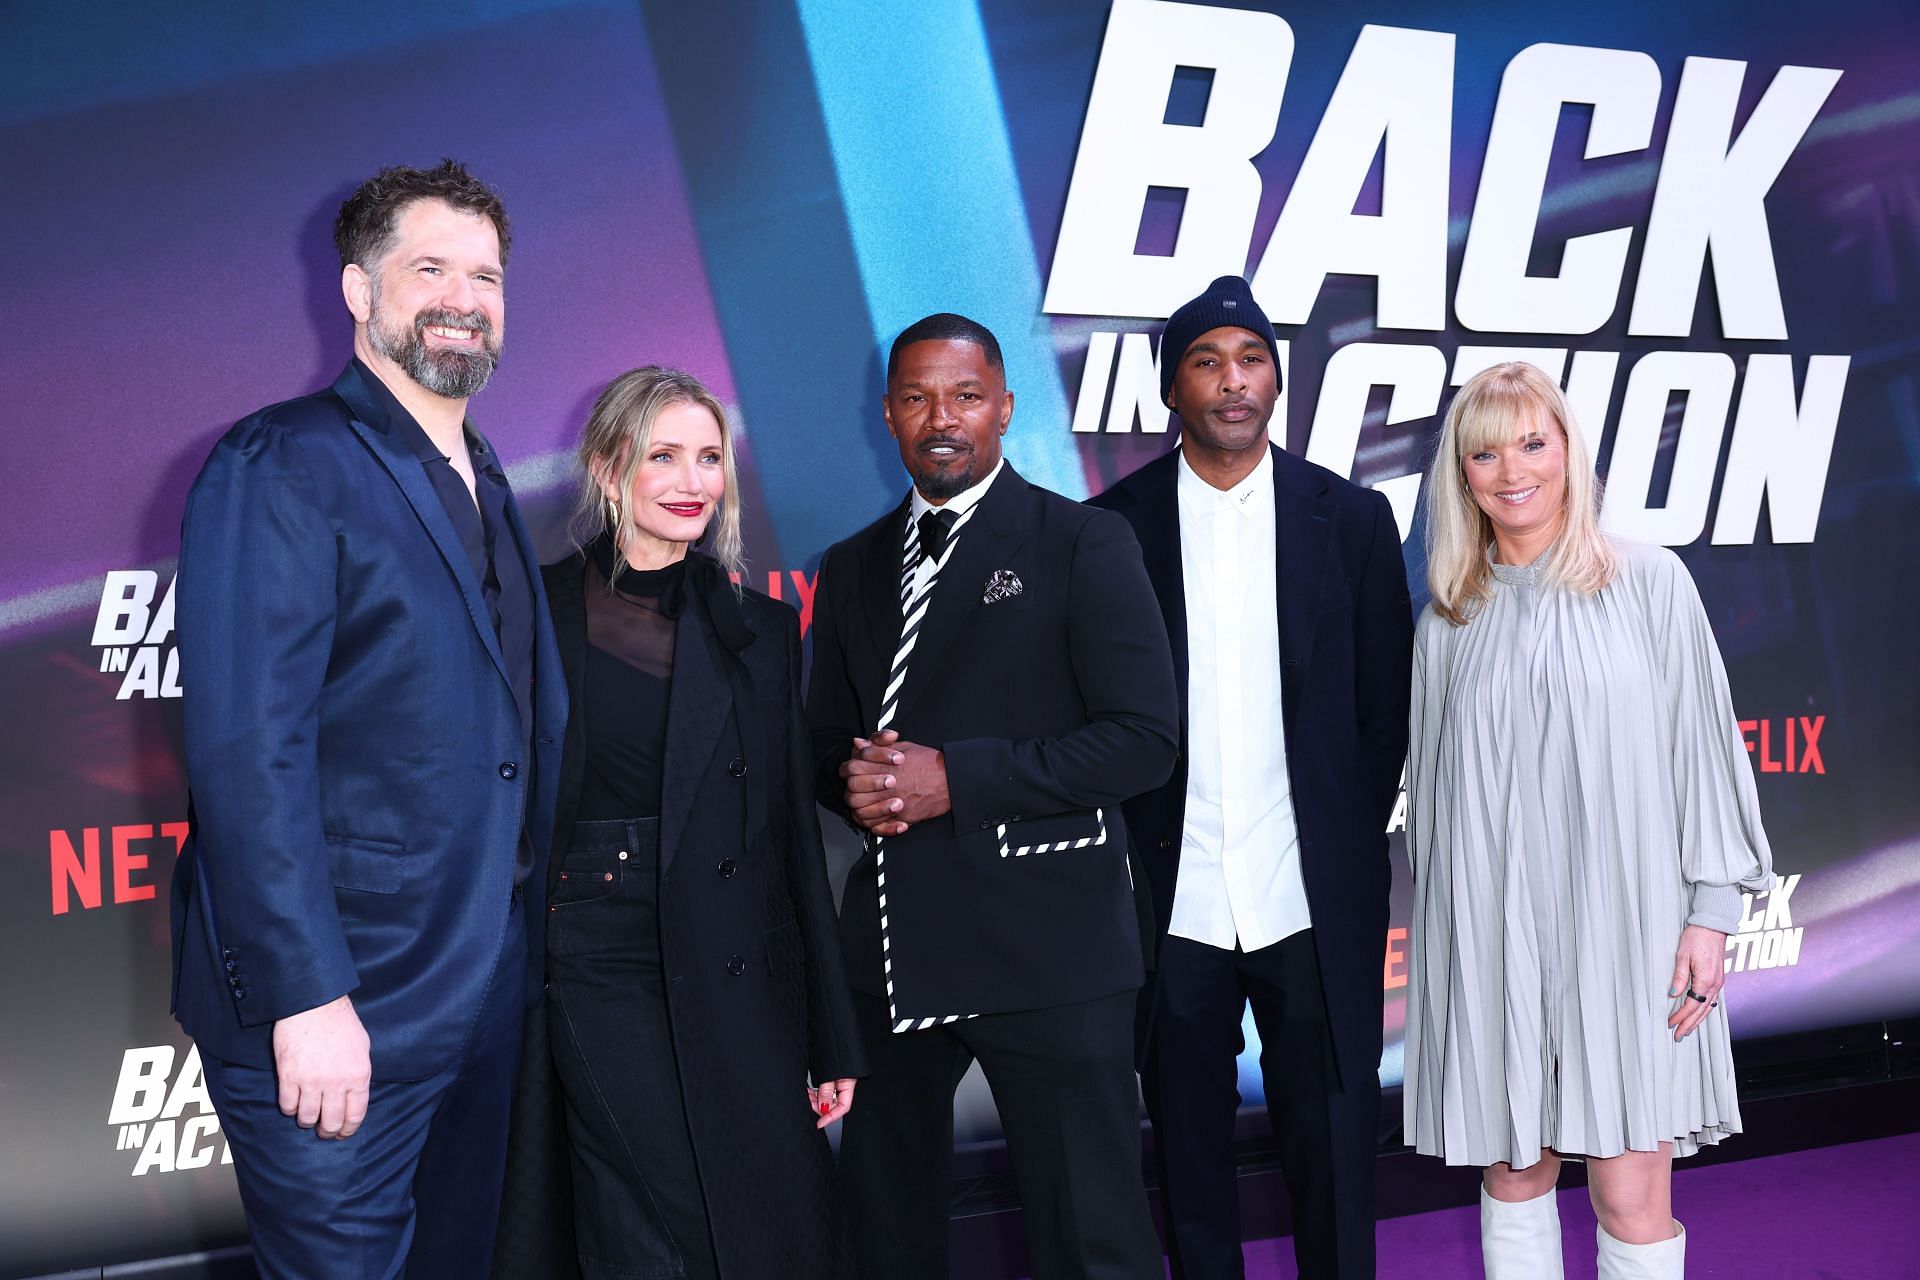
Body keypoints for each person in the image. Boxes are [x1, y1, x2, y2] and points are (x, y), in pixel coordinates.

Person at [171, 160, 565, 1277]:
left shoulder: (486, 476)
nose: (463, 295)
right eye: (429, 266)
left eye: (485, 274)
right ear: (357, 291)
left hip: (482, 990)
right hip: (343, 1008)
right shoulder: (282, 459)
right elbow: (251, 750)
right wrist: (306, 997)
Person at [806, 313, 1178, 1279]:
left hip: (1049, 948)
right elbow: (822, 743)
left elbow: (1144, 741)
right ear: (887, 415)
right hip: (892, 950)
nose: (944, 418)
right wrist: (855, 781)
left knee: (1090, 1238)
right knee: (885, 1238)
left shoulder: (1082, 541)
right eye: (919, 397)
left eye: (966, 396)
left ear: (1005, 409)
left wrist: (954, 780)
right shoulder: (850, 566)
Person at [1403, 361, 1775, 1279]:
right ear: (1462, 475)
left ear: (1569, 451)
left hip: (1629, 930)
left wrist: (1711, 912)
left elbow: (1703, 751)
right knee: (1513, 1168)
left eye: (1533, 442)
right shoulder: (1448, 621)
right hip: (1498, 938)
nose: (1511, 469)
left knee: (1630, 1188)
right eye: (1484, 452)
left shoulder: (1649, 582)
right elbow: (1437, 812)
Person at [494, 367, 867, 1280]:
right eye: (663, 456)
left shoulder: (761, 630)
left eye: (709, 457)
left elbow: (788, 841)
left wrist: (828, 1029)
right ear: (607, 468)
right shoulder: (532, 615)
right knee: (655, 1214)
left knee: (772, 1220)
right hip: (592, 958)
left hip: (730, 961)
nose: (692, 481)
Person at [1089, 275, 1413, 1279]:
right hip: (1170, 901)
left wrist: (1340, 838)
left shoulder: (1351, 519)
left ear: (1277, 377)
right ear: (1170, 390)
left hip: (1307, 898)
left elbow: (1385, 710)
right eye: (1207, 361)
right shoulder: (1111, 527)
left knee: (1334, 1153)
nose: (1234, 382)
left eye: (1253, 359)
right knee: (1188, 1164)